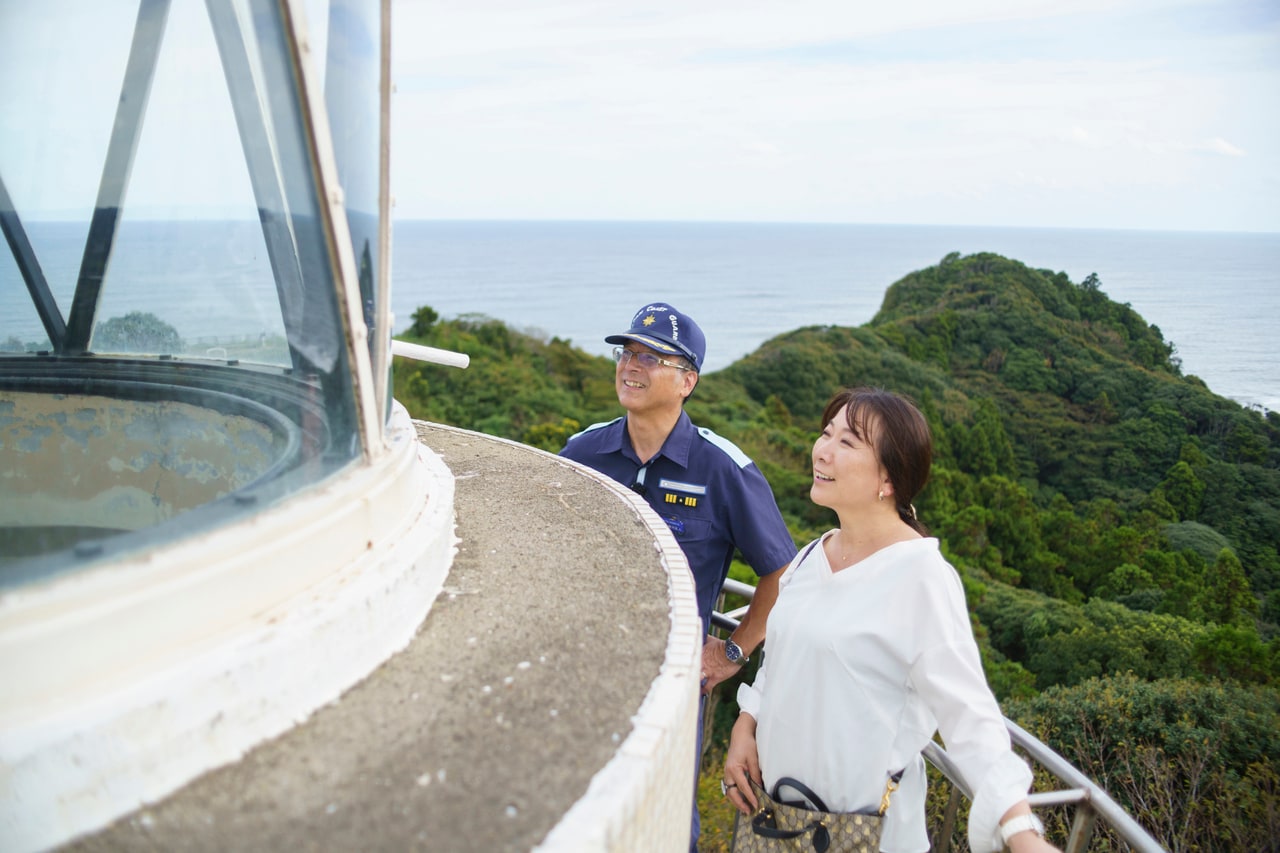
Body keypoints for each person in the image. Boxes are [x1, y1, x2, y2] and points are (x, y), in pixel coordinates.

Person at [722, 387, 1060, 853]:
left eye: (847, 443)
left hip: (867, 835)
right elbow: (780, 660)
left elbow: (969, 714)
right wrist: (747, 721)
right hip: (779, 821)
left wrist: (1019, 832)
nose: (823, 450)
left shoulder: (920, 577)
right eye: (826, 433)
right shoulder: (810, 556)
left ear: (890, 480)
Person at [559, 302, 797, 851]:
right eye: (626, 352)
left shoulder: (723, 469)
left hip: (668, 685)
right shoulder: (582, 452)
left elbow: (782, 572)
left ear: (687, 381)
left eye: (652, 357)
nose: (631, 366)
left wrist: (733, 653)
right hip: (582, 671)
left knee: (659, 819)